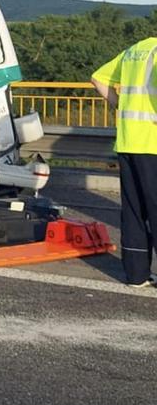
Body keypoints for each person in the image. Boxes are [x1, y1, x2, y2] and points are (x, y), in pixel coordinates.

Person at [91, 37, 157, 287]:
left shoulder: (134, 51)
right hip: (153, 143)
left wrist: (120, 105)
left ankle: (136, 274)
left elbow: (98, 78)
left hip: (128, 141)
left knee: (133, 210)